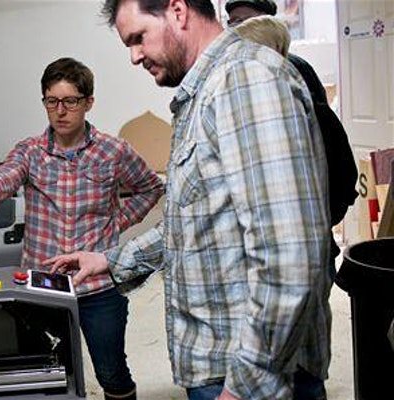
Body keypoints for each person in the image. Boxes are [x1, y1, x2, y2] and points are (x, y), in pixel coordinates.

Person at [45, 1, 332, 399]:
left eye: (138, 37)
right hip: (219, 367)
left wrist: (247, 385)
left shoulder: (245, 79)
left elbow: (290, 255)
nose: (133, 56)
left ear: (177, 11)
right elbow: (193, 220)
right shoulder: (207, 93)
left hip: (246, 377)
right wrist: (110, 260)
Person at [0, 57, 164, 400]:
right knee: (50, 372)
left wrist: (117, 222)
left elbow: (151, 187)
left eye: (70, 101)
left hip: (97, 285)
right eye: (52, 101)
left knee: (111, 371)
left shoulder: (113, 151)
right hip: (42, 285)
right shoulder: (30, 151)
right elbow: (8, 172)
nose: (60, 111)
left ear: (88, 102)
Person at [227, 1, 359, 261]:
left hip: (306, 240)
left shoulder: (300, 80)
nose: (235, 29)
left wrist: (323, 219)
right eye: (232, 21)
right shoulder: (234, 88)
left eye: (243, 20)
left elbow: (338, 163)